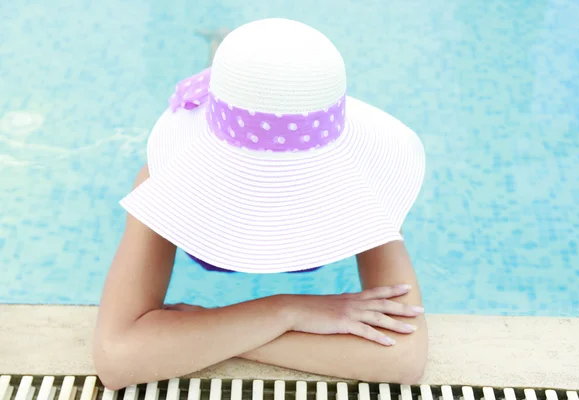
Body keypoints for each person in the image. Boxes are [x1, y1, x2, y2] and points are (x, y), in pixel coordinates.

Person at [93, 18, 428, 390]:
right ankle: (220, 51)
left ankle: (224, 53)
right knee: (238, 76)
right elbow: (117, 358)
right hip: (222, 126)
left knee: (256, 82)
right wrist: (290, 309)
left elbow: (402, 359)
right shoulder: (169, 176)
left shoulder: (367, 180)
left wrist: (204, 331)